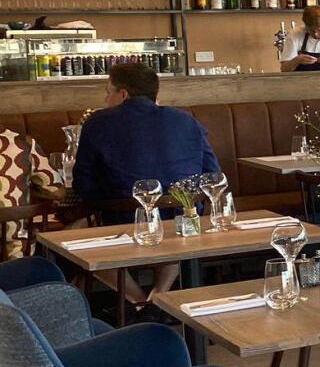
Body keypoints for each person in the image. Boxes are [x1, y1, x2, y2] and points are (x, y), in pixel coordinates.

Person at [72, 62, 220, 307]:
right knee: (173, 226)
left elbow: (83, 185)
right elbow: (212, 174)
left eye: (108, 91)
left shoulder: (98, 123)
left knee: (71, 242)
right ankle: (158, 299)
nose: (106, 98)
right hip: (184, 223)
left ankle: (139, 301)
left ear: (123, 94)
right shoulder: (187, 121)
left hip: (124, 223)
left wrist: (105, 201)